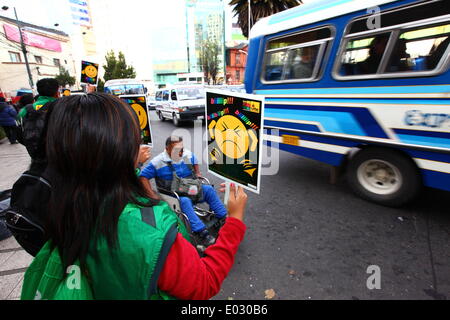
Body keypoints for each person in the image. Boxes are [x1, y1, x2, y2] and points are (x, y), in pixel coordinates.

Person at [21, 93, 247, 300]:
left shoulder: (65, 205)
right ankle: (204, 231)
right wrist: (235, 219)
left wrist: (194, 177)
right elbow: (204, 283)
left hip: (188, 186)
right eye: (134, 139)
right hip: (176, 194)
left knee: (206, 190)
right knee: (186, 202)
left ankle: (220, 215)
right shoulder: (149, 232)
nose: (139, 144)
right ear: (118, 151)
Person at [139, 136, 228, 246]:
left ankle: (223, 217)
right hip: (174, 194)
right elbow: (143, 177)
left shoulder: (187, 154)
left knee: (208, 189)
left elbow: (194, 160)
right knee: (185, 201)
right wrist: (151, 194)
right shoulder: (157, 162)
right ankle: (201, 232)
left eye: (181, 148)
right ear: (167, 149)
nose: (180, 152)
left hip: (191, 187)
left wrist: (198, 173)